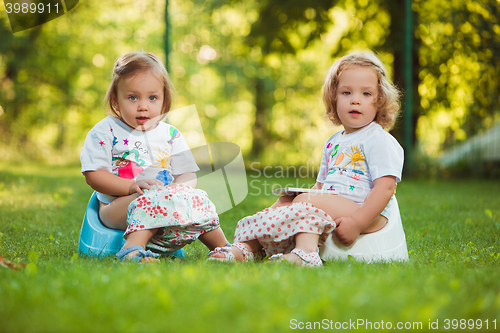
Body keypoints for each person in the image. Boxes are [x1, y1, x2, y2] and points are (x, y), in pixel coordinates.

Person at [209, 51, 403, 267]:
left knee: (305, 201)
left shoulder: (378, 139)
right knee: (284, 202)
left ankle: (306, 254)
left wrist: (358, 223)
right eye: (346, 92)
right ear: (334, 97)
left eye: (366, 94)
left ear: (380, 100)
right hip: (339, 204)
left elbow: (385, 189)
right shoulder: (333, 142)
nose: (356, 100)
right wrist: (298, 197)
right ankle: (248, 247)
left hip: (367, 213)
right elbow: (321, 185)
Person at [81, 51, 229, 262]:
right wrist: (130, 186)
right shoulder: (106, 131)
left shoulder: (170, 135)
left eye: (152, 97)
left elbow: (187, 174)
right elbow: (94, 176)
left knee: (199, 198)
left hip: (165, 200)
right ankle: (132, 250)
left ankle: (224, 249)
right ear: (116, 100)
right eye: (132, 97)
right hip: (118, 207)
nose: (143, 106)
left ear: (163, 100)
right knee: (152, 200)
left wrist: (179, 190)